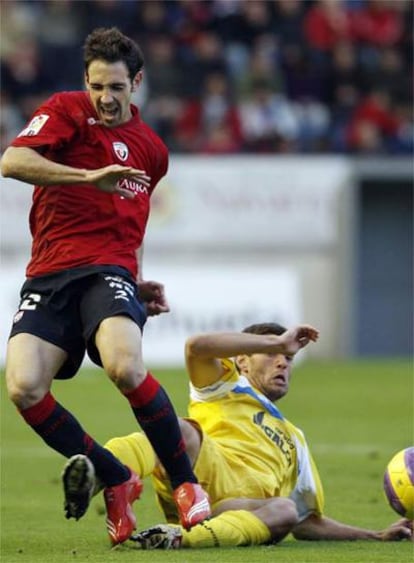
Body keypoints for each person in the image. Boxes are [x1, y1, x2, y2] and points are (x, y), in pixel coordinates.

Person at [0, 27, 210, 546]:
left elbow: (132, 223)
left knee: (123, 364)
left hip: (107, 272)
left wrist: (136, 282)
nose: (105, 98)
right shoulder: (67, 110)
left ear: (136, 83)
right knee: (23, 388)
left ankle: (186, 483)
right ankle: (116, 478)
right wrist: (87, 177)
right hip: (48, 275)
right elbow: (11, 161)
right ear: (85, 83)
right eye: (97, 86)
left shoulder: (152, 152)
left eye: (116, 87)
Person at [65, 322, 413, 549]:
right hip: (192, 482)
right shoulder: (225, 386)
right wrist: (277, 339)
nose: (283, 364)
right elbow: (197, 346)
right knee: (179, 430)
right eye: (273, 355)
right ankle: (102, 471)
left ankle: (177, 540)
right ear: (242, 362)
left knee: (285, 510)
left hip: (239, 510)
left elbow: (309, 523)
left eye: (288, 360)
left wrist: (375, 534)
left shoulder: (296, 439)